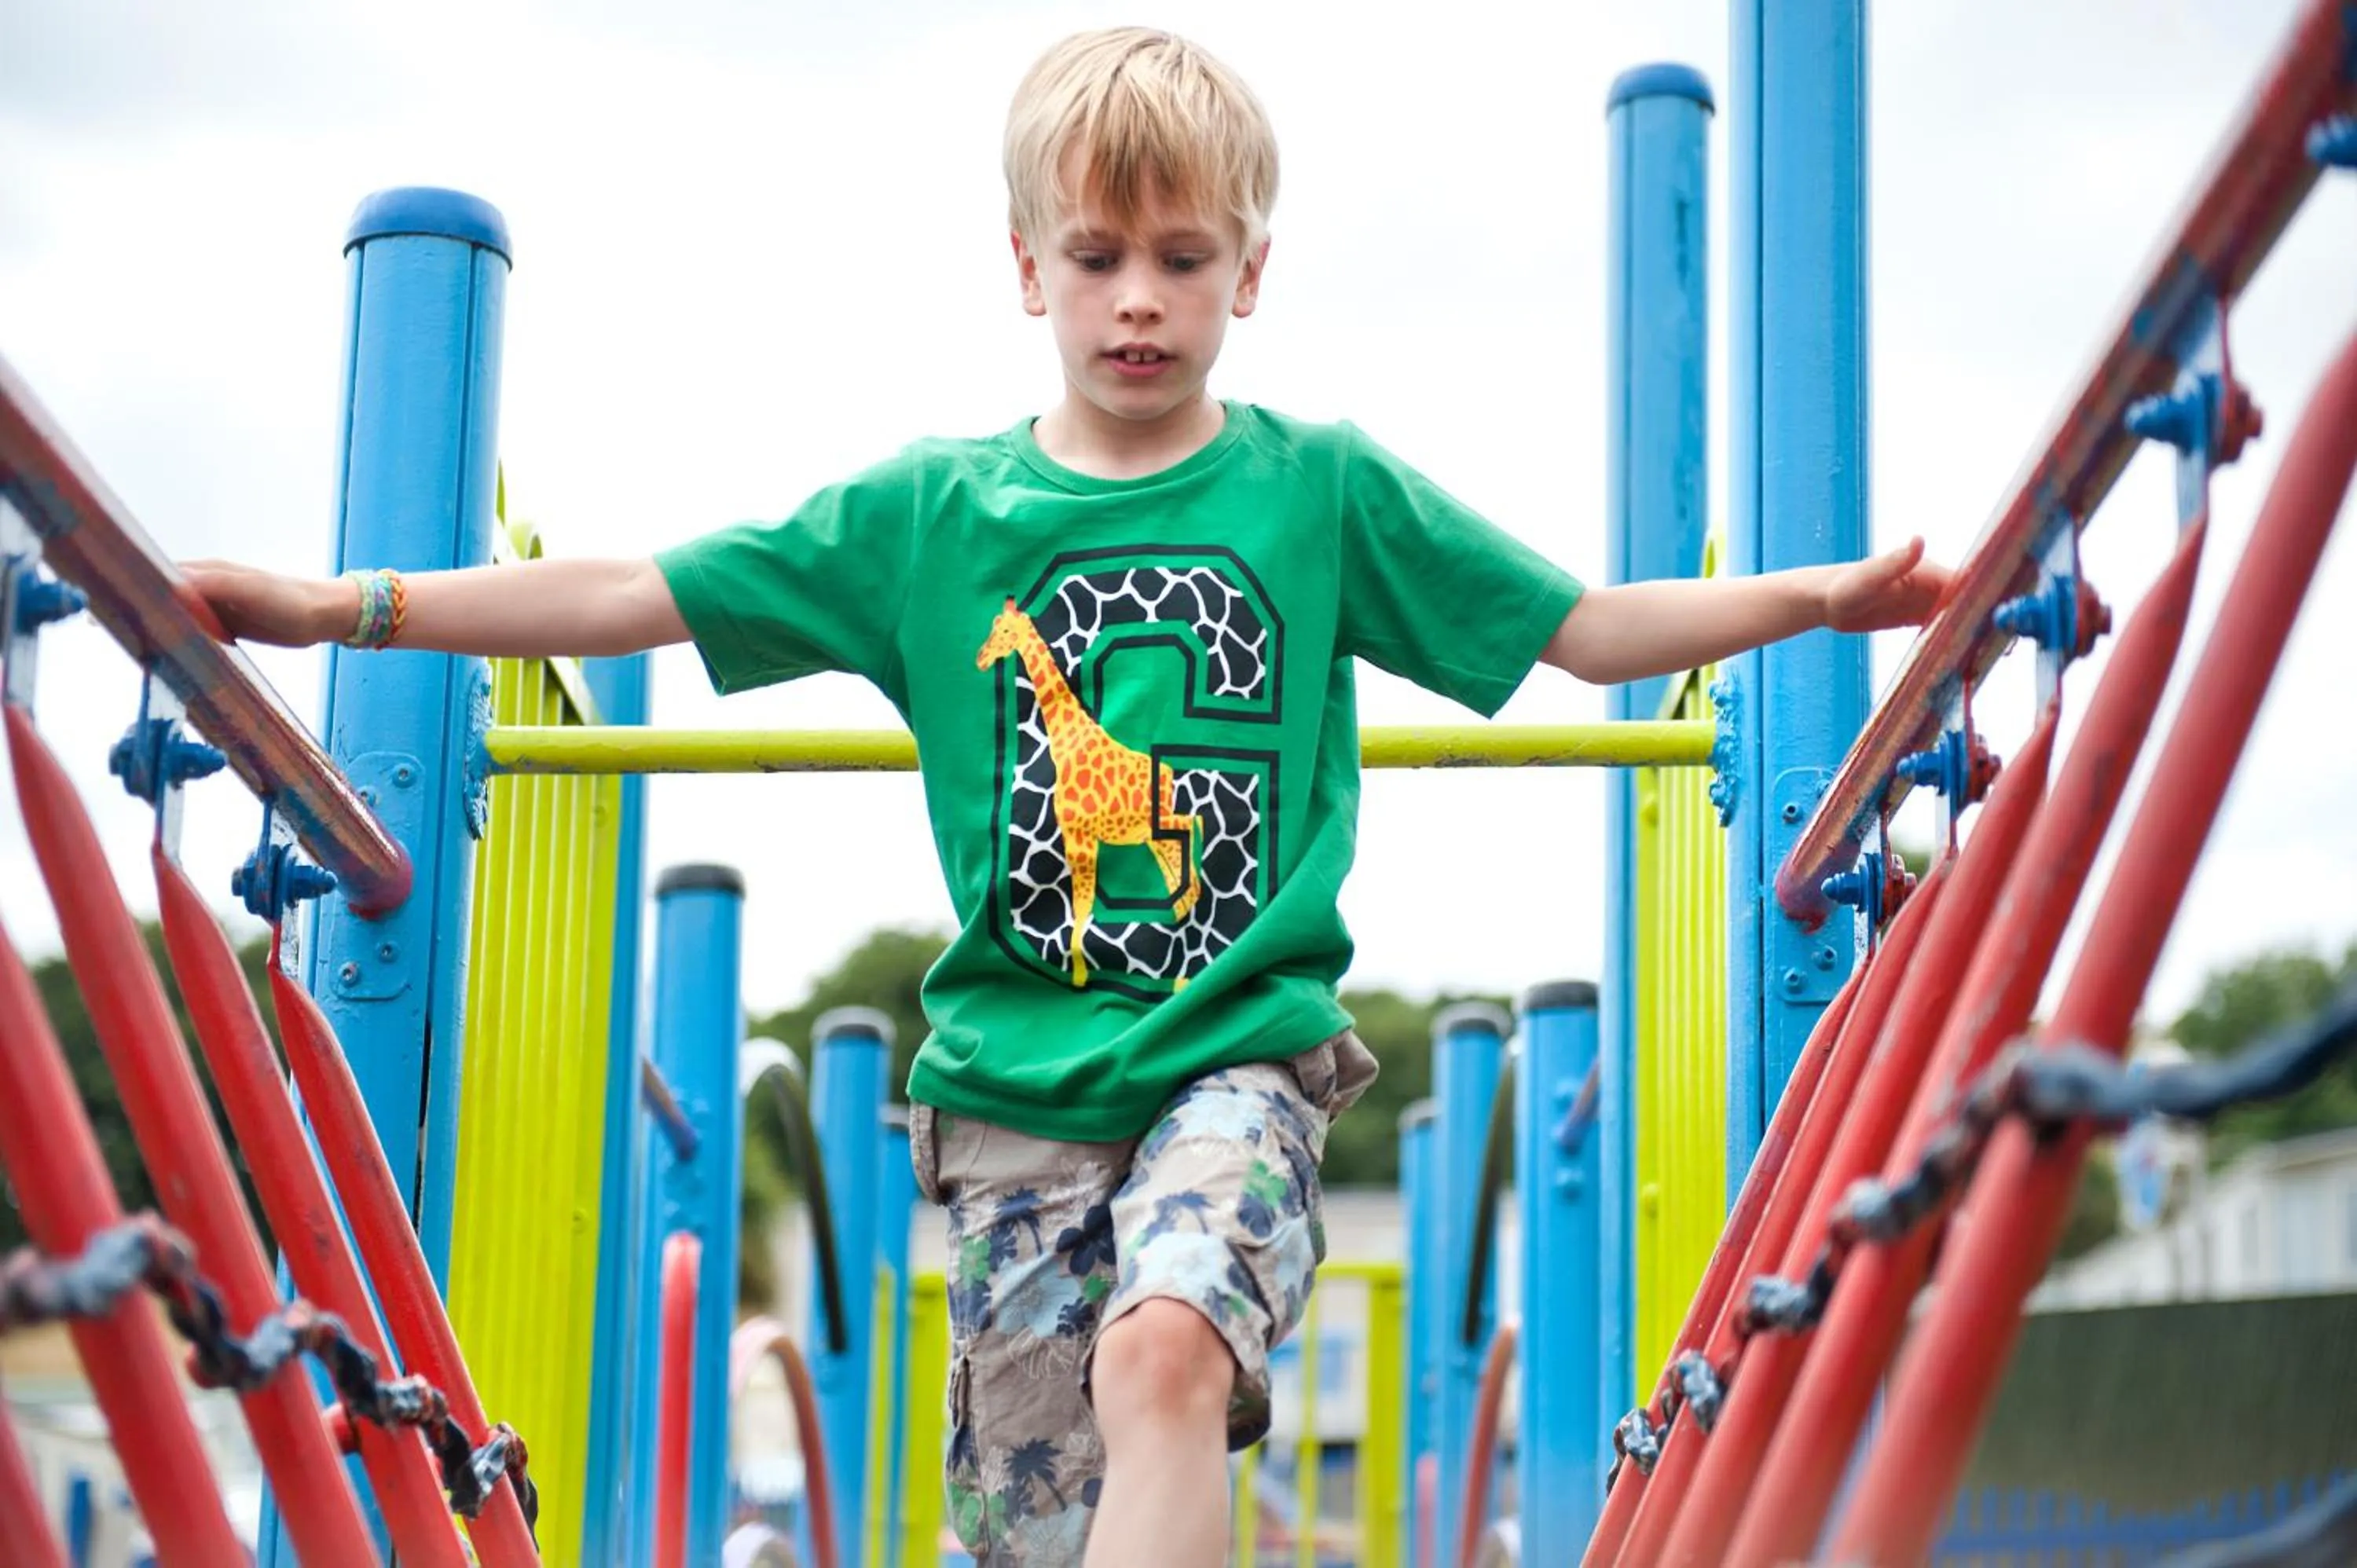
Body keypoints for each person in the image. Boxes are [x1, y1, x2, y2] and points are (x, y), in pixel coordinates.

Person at [187, 26, 1949, 1566]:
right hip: (1012, 1100)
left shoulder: (1317, 490)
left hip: (1234, 1052)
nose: (1137, 298)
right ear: (1023, 264)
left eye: (1183, 258)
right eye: (1097, 254)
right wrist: (350, 606)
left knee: (1165, 1344)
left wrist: (1814, 601)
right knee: (1043, 1517)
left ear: (1251, 271)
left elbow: (1579, 627)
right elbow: (642, 589)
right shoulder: (931, 519)